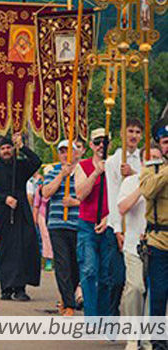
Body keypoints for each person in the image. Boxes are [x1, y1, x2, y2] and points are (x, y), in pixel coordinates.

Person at [0, 133, 42, 301]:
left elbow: (36, 162)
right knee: (5, 251)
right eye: (3, 148)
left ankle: (20, 288)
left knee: (22, 249)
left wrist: (22, 146)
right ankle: (6, 288)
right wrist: (4, 199)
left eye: (9, 148)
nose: (6, 151)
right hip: (2, 212)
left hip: (21, 211)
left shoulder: (21, 165)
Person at [119, 146, 160, 350]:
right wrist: (142, 187)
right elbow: (122, 207)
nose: (154, 162)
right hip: (134, 244)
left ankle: (147, 337)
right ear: (143, 162)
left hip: (159, 245)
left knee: (155, 292)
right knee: (136, 287)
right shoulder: (130, 182)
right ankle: (132, 336)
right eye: (150, 158)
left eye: (157, 158)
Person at [74, 127, 115, 316]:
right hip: (87, 225)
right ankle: (91, 316)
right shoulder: (83, 165)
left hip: (109, 224)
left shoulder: (115, 165)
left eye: (105, 143)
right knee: (89, 270)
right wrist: (96, 173)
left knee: (106, 275)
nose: (101, 146)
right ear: (91, 145)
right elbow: (80, 194)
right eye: (97, 142)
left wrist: (109, 217)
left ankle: (105, 316)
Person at [106, 118, 143, 316]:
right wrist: (117, 228)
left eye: (138, 132)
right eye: (130, 131)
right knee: (117, 278)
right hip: (118, 224)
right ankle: (112, 314)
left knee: (137, 282)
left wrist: (134, 173)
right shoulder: (113, 161)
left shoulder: (144, 160)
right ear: (122, 133)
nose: (134, 135)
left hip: (138, 226)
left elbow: (148, 184)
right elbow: (113, 195)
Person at [42, 140, 82, 316]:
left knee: (76, 266)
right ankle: (69, 304)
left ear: (76, 153)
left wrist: (75, 202)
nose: (66, 155)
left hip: (78, 224)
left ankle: (68, 297)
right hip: (57, 224)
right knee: (62, 264)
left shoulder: (82, 172)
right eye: (62, 152)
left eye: (69, 151)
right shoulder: (53, 172)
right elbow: (46, 193)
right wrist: (61, 175)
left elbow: (89, 198)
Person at [140, 117, 168, 350]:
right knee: (159, 293)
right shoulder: (152, 169)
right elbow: (147, 191)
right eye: (165, 142)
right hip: (159, 240)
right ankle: (158, 340)